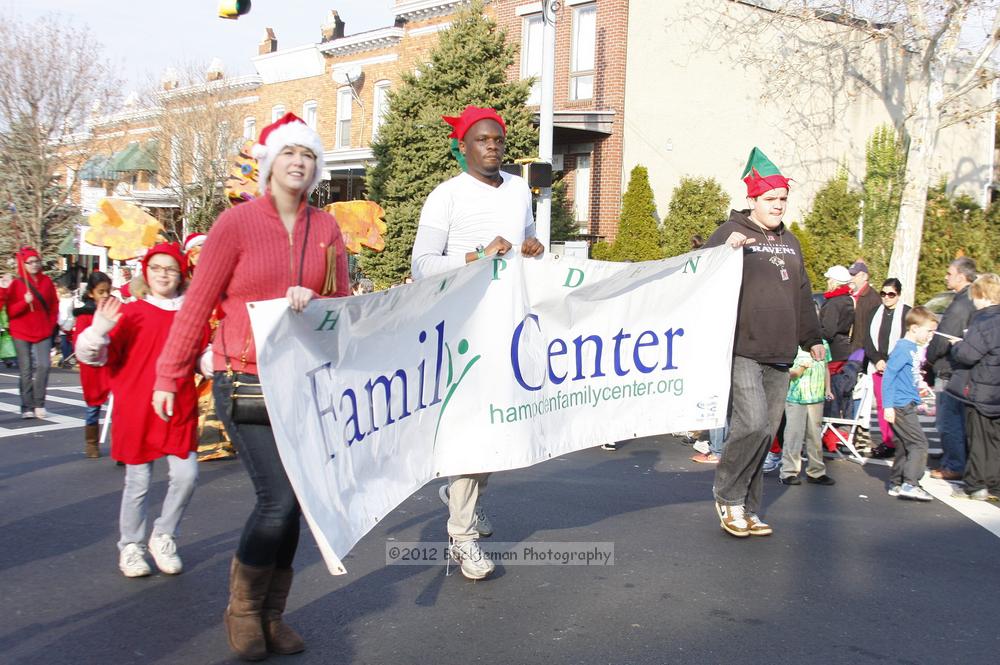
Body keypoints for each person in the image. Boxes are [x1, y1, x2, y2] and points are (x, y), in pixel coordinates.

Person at [154, 112, 349, 660]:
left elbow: (344, 304)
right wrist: (171, 374)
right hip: (242, 376)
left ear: (317, 168)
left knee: (295, 503)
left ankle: (271, 614)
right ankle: (242, 612)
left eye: (308, 155)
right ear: (269, 162)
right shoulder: (235, 225)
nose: (298, 163)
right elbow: (198, 303)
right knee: (277, 499)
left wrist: (320, 301)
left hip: (301, 382)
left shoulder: (327, 229)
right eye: (289, 153)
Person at [411, 105, 544, 577]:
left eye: (498, 140)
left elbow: (529, 246)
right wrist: (475, 256)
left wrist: (533, 249)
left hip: (508, 324)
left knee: (501, 426)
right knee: (474, 431)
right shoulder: (445, 197)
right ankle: (462, 536)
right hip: (464, 327)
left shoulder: (518, 193)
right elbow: (421, 265)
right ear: (463, 146)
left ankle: (461, 495)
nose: (492, 147)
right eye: (482, 140)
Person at [706, 147, 824, 538]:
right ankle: (727, 495)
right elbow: (699, 274)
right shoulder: (730, 233)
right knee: (752, 424)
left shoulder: (791, 242)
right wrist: (725, 253)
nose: (778, 206)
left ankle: (748, 508)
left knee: (766, 433)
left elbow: (803, 292)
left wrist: (812, 337)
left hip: (781, 351)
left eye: (782, 200)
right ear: (752, 200)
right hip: (742, 348)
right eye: (771, 199)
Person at [76, 244, 205, 577]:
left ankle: (163, 535)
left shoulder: (191, 314)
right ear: (146, 272)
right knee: (138, 481)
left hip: (179, 406)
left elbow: (202, 358)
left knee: (187, 475)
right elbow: (92, 356)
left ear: (181, 275)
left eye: (171, 269)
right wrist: (98, 330)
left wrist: (222, 359)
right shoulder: (130, 312)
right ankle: (130, 545)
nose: (163, 274)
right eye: (157, 267)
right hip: (136, 406)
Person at [946, 274, 1000, 500]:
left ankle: (975, 485)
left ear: (982, 296)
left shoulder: (983, 322)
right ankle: (995, 485)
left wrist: (957, 346)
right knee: (995, 440)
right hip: (997, 388)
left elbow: (968, 355)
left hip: (980, 388)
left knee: (976, 439)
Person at [926, 257, 977, 480]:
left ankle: (954, 464)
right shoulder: (971, 300)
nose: (946, 276)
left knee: (949, 420)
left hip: (949, 368)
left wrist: (929, 358)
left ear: (961, 275)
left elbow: (943, 338)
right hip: (963, 368)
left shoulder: (960, 305)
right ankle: (957, 459)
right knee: (958, 419)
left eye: (949, 273)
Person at [883, 306, 938, 501]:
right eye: (928, 331)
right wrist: (887, 405)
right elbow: (888, 376)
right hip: (900, 405)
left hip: (906, 401)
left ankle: (897, 482)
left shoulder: (913, 348)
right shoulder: (902, 349)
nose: (931, 335)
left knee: (904, 445)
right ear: (914, 328)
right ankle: (911, 483)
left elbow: (910, 376)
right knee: (919, 444)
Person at [4, 247, 58, 419]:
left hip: (42, 330)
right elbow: (10, 311)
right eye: (30, 262)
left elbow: (54, 305)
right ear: (23, 264)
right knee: (25, 368)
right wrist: (24, 302)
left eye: (37, 261)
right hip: (21, 330)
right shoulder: (17, 284)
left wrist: (51, 325)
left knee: (44, 365)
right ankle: (26, 406)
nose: (34, 265)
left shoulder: (47, 282)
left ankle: (39, 403)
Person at [863, 278, 911, 459]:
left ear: (898, 295)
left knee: (899, 405)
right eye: (883, 293)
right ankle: (888, 441)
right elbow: (867, 339)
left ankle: (901, 439)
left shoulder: (906, 313)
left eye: (891, 294)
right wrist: (877, 360)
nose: (886, 298)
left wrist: (891, 363)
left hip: (897, 367)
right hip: (878, 365)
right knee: (883, 405)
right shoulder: (874, 312)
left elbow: (907, 341)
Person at [779, 340, 834, 485]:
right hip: (796, 397)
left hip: (816, 397)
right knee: (793, 435)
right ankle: (788, 472)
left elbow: (826, 367)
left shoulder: (824, 344)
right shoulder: (793, 345)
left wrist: (827, 389)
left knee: (815, 436)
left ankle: (816, 471)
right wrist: (800, 368)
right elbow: (788, 373)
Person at [72, 271, 114, 458]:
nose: (105, 295)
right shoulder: (85, 316)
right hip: (93, 366)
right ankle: (91, 443)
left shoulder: (114, 310)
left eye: (108, 291)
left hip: (112, 364)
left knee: (118, 407)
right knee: (93, 406)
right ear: (91, 293)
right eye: (101, 292)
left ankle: (121, 445)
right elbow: (80, 344)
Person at [819, 264, 855, 380]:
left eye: (829, 279)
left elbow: (828, 331)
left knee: (832, 390)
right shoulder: (848, 299)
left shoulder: (834, 303)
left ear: (835, 282)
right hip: (844, 350)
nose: (827, 281)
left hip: (833, 353)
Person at [848, 260, 881, 353]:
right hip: (847, 350)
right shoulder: (848, 295)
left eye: (854, 275)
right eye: (850, 275)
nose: (851, 278)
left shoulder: (874, 299)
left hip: (861, 351)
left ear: (865, 277)